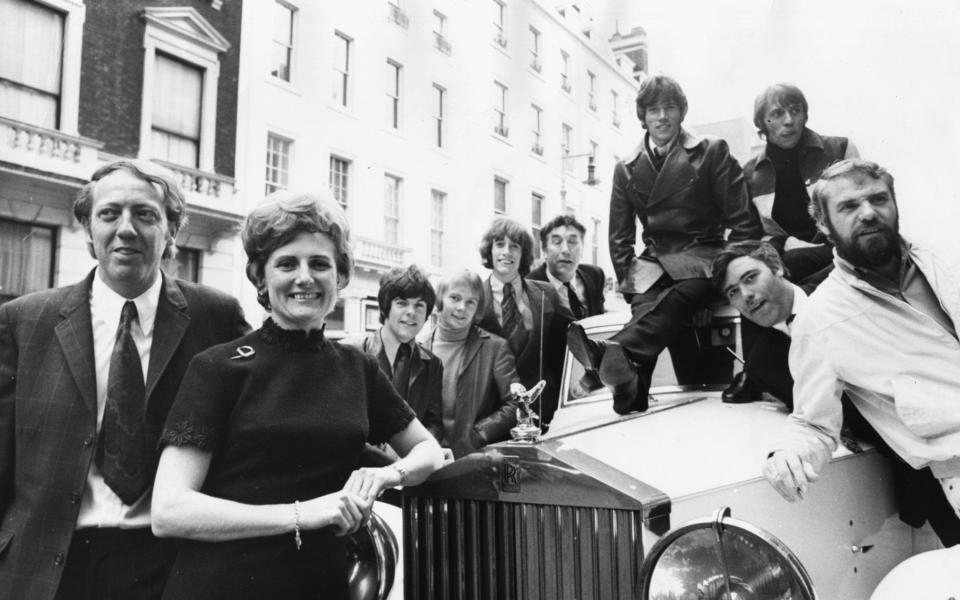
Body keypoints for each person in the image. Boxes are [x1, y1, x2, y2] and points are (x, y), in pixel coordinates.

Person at [151, 191, 444, 599]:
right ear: (261, 277)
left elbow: (428, 452)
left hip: (319, 584)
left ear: (340, 277)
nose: (304, 277)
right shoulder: (219, 367)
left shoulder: (356, 366)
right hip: (224, 586)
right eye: (287, 263)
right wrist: (301, 515)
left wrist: (381, 476)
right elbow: (169, 511)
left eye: (320, 264)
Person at [0, 159, 249, 600]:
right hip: (45, 570)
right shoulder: (23, 321)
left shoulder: (216, 317)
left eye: (145, 214)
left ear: (172, 230)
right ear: (88, 229)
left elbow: (265, 415)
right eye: (109, 214)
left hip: (167, 567)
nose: (126, 229)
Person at [763, 159, 960, 544]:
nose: (868, 213)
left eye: (878, 199)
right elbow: (813, 422)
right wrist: (788, 456)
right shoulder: (819, 319)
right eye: (849, 206)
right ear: (823, 225)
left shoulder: (947, 262)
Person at [717, 240, 960, 546]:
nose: (746, 295)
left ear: (778, 267)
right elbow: (813, 417)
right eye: (733, 292)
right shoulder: (763, 364)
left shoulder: (846, 284)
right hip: (919, 471)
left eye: (750, 278)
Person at [567, 74, 763, 415]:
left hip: (706, 260)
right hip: (654, 266)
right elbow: (619, 238)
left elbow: (745, 224)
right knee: (646, 305)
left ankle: (610, 356)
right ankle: (629, 388)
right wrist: (630, 285)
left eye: (669, 108)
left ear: (681, 112)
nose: (661, 117)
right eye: (653, 109)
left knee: (676, 299)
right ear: (642, 116)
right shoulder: (626, 168)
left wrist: (728, 280)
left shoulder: (711, 152)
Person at [727, 83, 859, 402]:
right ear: (763, 124)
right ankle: (762, 372)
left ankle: (763, 372)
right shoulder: (751, 171)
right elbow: (748, 233)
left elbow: (856, 204)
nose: (788, 120)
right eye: (777, 113)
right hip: (786, 253)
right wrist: (785, 242)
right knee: (755, 274)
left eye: (795, 111)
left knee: (782, 274)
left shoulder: (838, 148)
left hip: (837, 248)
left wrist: (809, 243)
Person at [476, 217, 572, 428]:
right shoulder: (474, 300)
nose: (507, 252)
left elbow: (571, 343)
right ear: (489, 251)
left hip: (543, 415)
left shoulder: (546, 293)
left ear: (523, 253)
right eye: (499, 245)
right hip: (493, 418)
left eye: (515, 246)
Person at [419, 269, 523, 459]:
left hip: (474, 460)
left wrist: (477, 434)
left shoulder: (495, 348)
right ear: (440, 300)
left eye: (470, 302)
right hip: (427, 461)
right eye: (455, 298)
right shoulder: (418, 348)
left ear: (478, 308)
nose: (461, 307)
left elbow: (517, 403)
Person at [341, 265, 443, 443]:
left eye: (419, 305)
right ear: (385, 307)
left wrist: (417, 450)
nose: (411, 312)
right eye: (401, 303)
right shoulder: (351, 353)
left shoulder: (432, 364)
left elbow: (433, 422)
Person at [528, 213, 606, 319]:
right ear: (544, 249)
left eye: (572, 242)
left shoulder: (595, 275)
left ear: (582, 247)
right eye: (556, 242)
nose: (565, 250)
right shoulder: (530, 287)